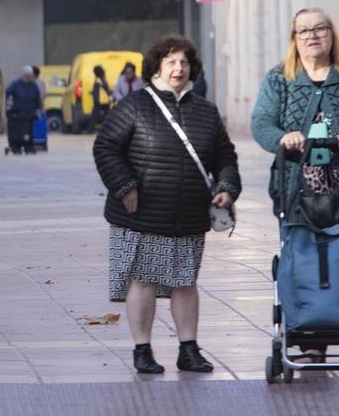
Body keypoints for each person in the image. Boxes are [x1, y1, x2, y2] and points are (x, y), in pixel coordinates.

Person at [251, 7, 339, 363]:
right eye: (304, 31)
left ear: (332, 34)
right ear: (294, 39)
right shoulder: (279, 79)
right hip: (299, 192)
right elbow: (261, 123)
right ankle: (311, 341)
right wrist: (284, 138)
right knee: (306, 262)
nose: (312, 36)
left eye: (320, 28)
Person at [93, 34, 240, 374]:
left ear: (193, 69)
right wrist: (125, 185)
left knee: (185, 282)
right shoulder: (134, 105)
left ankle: (188, 349)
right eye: (172, 61)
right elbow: (105, 148)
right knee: (143, 280)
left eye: (184, 62)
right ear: (157, 66)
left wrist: (227, 188)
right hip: (141, 213)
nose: (178, 68)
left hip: (188, 214)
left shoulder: (206, 111)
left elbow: (225, 157)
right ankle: (142, 350)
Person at [5, 65, 43, 154]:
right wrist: (9, 107)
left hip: (29, 113)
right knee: (16, 132)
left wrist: (38, 109)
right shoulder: (15, 84)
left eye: (30, 76)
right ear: (23, 75)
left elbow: (37, 98)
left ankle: (28, 146)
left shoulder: (33, 85)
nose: (28, 78)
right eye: (27, 76)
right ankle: (16, 147)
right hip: (17, 113)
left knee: (28, 131)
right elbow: (8, 94)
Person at [86, 64, 113, 133]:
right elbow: (106, 89)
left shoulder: (98, 80)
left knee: (94, 116)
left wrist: (95, 101)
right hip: (105, 101)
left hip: (99, 101)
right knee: (107, 116)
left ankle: (90, 130)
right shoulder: (103, 79)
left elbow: (97, 92)